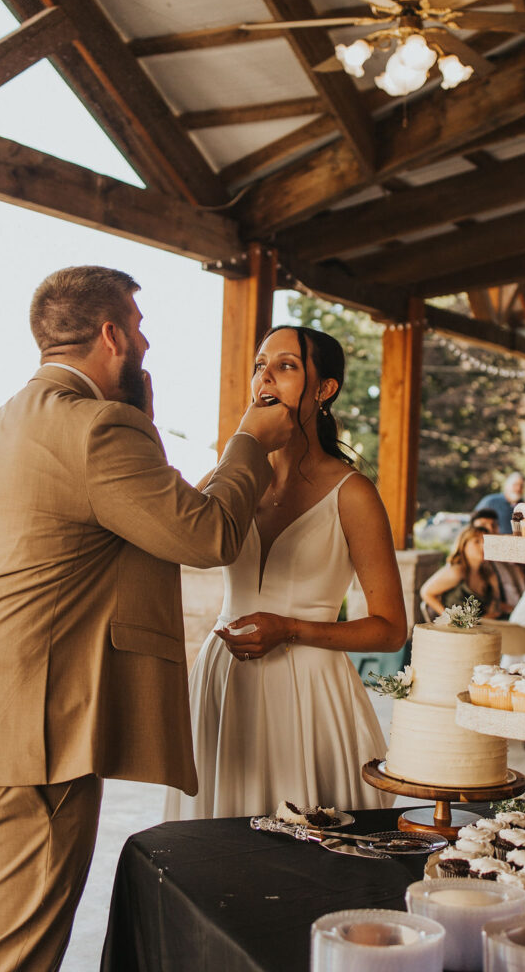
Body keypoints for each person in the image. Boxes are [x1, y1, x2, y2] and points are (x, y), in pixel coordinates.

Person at [0, 265, 292, 972]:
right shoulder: (95, 428)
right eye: (140, 328)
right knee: (12, 964)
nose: (145, 343)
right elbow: (205, 535)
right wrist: (250, 440)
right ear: (114, 334)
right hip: (32, 751)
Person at [164, 325, 408, 820]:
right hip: (224, 681)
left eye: (286, 366)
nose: (265, 378)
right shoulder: (225, 479)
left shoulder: (353, 493)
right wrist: (241, 446)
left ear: (324, 390)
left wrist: (291, 629)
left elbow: (390, 628)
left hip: (311, 695)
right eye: (259, 365)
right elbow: (180, 544)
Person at [420, 525, 503, 619]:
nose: (483, 546)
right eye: (477, 541)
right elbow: (426, 592)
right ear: (463, 545)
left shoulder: (489, 574)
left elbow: (494, 608)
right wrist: (451, 618)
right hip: (454, 630)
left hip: (479, 629)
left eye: (486, 542)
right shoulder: (457, 572)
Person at [469, 507, 525, 613]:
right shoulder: (469, 563)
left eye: (493, 525)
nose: (490, 530)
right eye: (483, 526)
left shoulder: (508, 560)